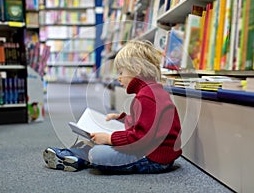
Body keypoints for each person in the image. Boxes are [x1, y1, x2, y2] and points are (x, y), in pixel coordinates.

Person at [43, 40, 182, 174]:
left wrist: (109, 139)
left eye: (121, 72)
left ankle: (79, 157)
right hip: (157, 153)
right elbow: (147, 123)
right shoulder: (153, 91)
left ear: (137, 69)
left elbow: (140, 137)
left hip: (153, 158)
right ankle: (77, 156)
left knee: (98, 154)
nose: (119, 78)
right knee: (99, 142)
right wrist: (121, 118)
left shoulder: (146, 96)